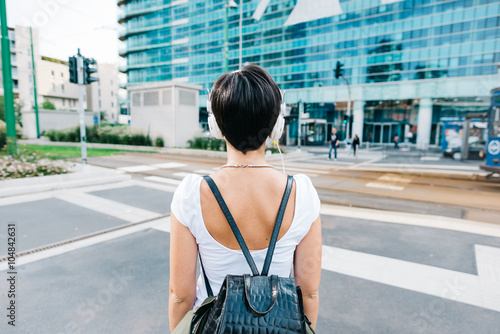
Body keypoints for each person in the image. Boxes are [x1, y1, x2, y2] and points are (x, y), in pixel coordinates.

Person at [168, 65, 322, 332]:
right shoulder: (302, 192)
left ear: (215, 125)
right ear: (276, 126)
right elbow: (308, 293)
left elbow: (181, 296)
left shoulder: (192, 194)